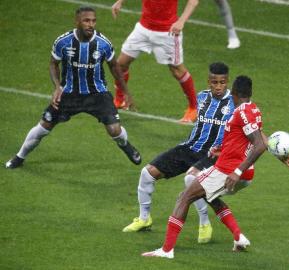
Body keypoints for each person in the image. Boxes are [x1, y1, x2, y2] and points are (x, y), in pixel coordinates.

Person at [141, 75, 289, 258]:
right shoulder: (253, 109)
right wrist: (222, 149)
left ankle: (166, 250)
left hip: (228, 171)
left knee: (184, 197)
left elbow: (259, 144)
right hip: (243, 172)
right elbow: (250, 137)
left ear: (235, 93)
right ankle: (239, 237)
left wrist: (237, 171)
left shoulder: (241, 112)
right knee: (209, 195)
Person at [5, 6, 141, 169]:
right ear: (77, 22)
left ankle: (126, 146)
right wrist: (57, 87)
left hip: (97, 94)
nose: (91, 24)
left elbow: (114, 67)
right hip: (68, 93)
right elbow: (53, 64)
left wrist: (125, 91)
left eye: (93, 20)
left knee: (115, 130)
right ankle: (19, 157)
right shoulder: (63, 41)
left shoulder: (103, 43)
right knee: (43, 127)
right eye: (86, 20)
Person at [122, 62, 234, 244]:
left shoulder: (234, 104)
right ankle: (144, 219)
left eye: (222, 82)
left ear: (227, 81)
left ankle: (204, 223)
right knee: (147, 173)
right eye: (215, 82)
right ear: (209, 82)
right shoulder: (201, 97)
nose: (219, 86)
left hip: (212, 154)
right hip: (189, 147)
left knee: (192, 181)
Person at [111, 0, 199, 123]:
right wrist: (120, 2)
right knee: (120, 64)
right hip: (143, 28)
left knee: (177, 70)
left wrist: (181, 21)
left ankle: (194, 108)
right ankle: (120, 100)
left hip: (168, 31)